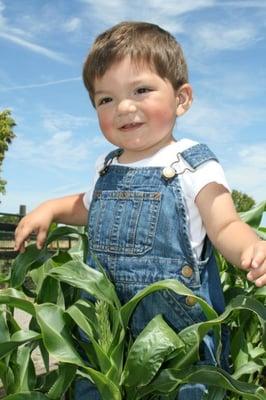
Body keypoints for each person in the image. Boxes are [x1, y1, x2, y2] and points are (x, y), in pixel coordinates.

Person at [14, 21, 266, 399]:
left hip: (174, 350)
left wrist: (251, 247)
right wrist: (51, 208)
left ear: (182, 98)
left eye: (141, 90)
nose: (124, 108)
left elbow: (225, 223)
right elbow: (86, 206)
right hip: (104, 344)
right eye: (106, 99)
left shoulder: (192, 165)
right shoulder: (106, 167)